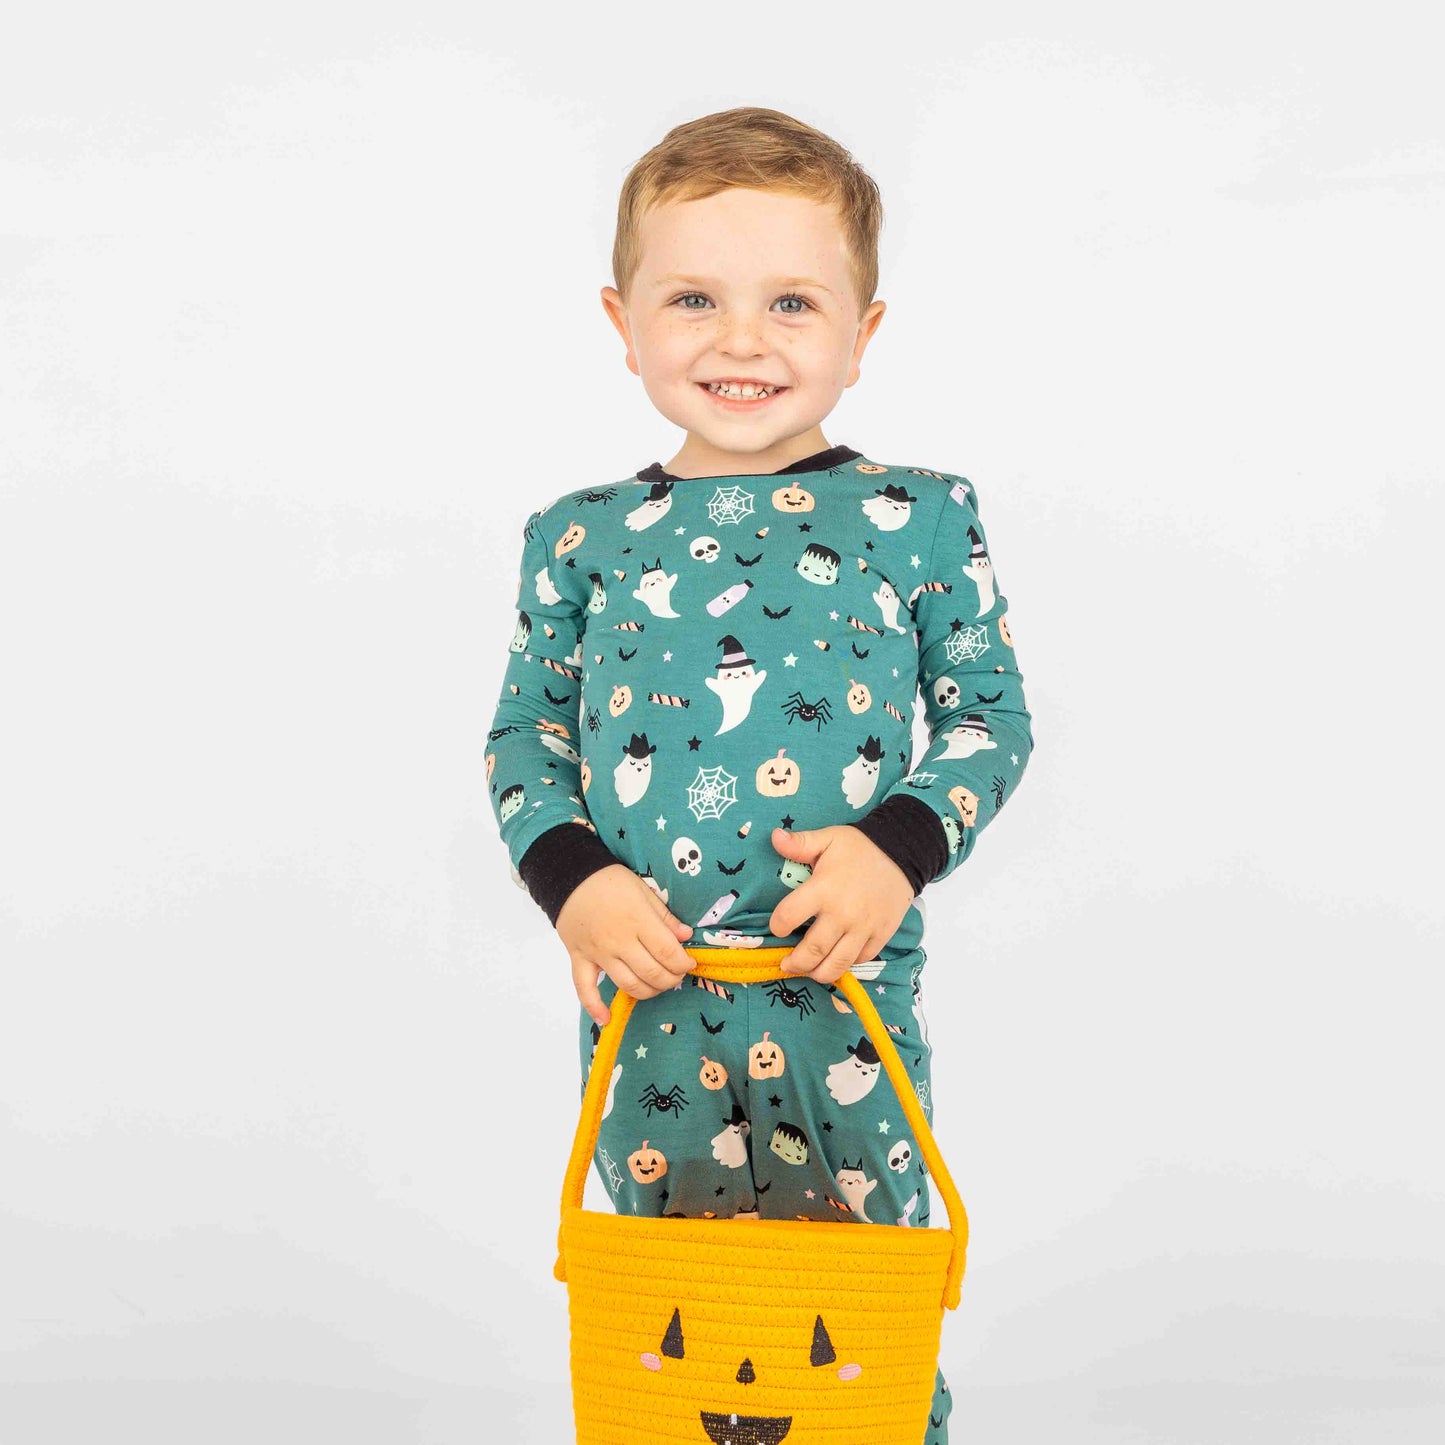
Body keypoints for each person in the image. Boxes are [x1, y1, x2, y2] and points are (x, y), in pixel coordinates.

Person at [485, 106, 1035, 1445]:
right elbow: (522, 741)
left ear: (863, 331)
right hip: (645, 1002)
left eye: (791, 301)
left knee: (860, 1308)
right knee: (667, 1320)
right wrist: (574, 884)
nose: (741, 340)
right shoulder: (579, 539)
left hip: (839, 994)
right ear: (622, 323)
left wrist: (892, 846)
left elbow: (988, 716)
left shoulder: (918, 515)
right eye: (693, 299)